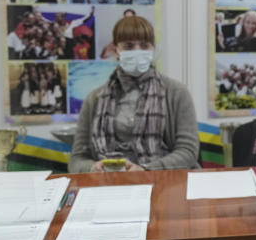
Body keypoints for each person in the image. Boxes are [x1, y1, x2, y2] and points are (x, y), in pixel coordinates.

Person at [69, 15, 199, 172]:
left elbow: (188, 152)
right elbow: (77, 160)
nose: (137, 52)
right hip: (110, 184)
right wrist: (92, 168)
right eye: (129, 46)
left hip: (165, 182)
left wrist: (146, 170)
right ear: (116, 49)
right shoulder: (94, 99)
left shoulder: (177, 93)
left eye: (144, 46)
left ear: (153, 49)